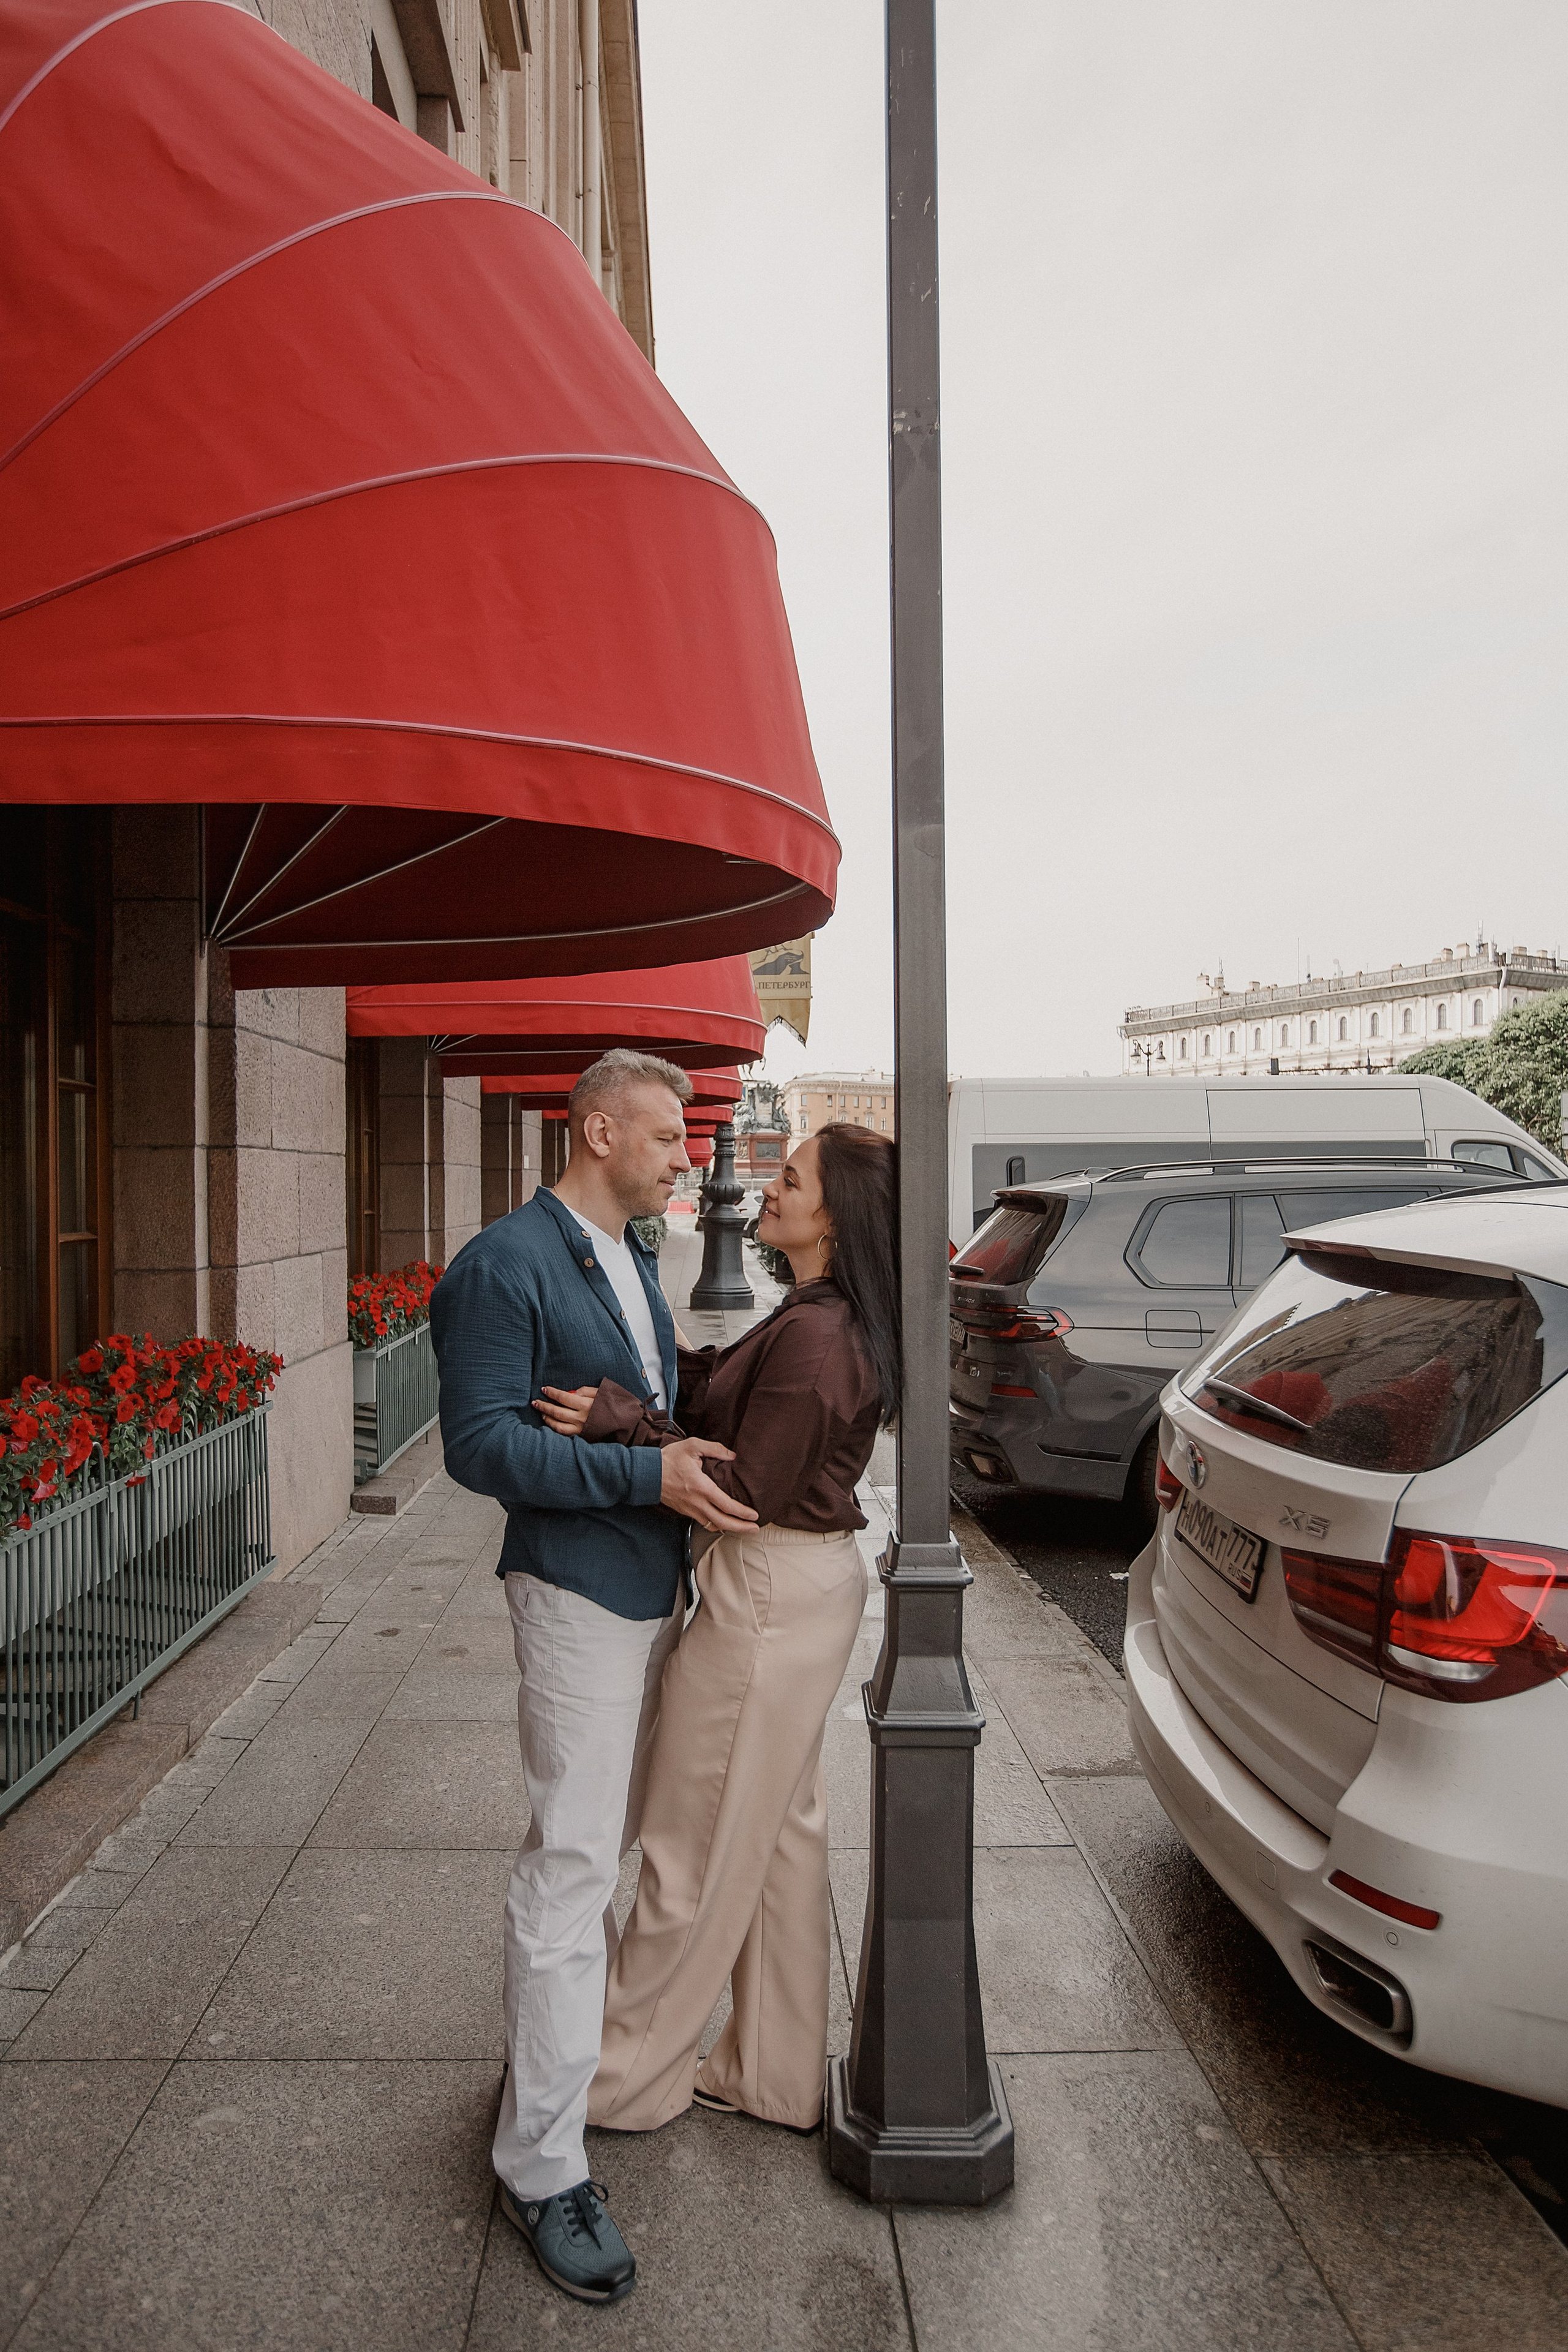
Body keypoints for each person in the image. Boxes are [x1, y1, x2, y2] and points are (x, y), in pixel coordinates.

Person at [431, 1049, 758, 2307]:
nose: (689, 1155)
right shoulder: (501, 1262)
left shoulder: (625, 1252)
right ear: (600, 1127)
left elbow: (635, 1403)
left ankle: (546, 2073)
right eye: (671, 1135)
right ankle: (541, 2164)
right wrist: (648, 1477)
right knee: (570, 1870)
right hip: (574, 1597)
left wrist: (655, 1434)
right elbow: (477, 1447)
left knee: (599, 1856)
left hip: (645, 1588)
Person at [534, 1121, 899, 2138]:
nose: (763, 1193)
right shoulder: (819, 1313)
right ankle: (771, 2074)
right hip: (796, 1589)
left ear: (836, 1216)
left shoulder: (823, 1332)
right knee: (778, 1835)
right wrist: (651, 1360)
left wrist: (621, 1423)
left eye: (790, 1180)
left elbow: (740, 1490)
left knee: (691, 1846)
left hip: (768, 1593)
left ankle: (615, 2082)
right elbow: (725, 1400)